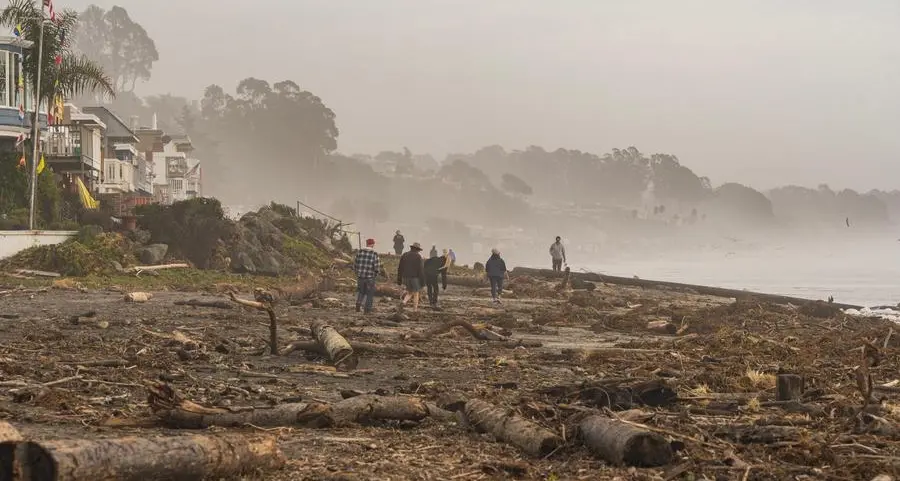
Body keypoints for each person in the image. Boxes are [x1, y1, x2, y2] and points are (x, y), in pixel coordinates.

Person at [352, 238, 383, 314]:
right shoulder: (374, 254)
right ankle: (367, 310)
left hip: (360, 277)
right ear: (372, 244)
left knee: (361, 291)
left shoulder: (360, 252)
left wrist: (357, 272)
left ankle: (358, 304)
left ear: (366, 244)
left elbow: (355, 264)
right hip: (370, 277)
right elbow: (377, 267)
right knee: (370, 293)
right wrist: (375, 274)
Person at [397, 242, 426, 311]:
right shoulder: (418, 257)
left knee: (410, 292)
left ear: (412, 248)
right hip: (414, 278)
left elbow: (400, 268)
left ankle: (403, 302)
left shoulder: (404, 255)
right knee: (416, 293)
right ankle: (415, 310)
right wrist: (423, 282)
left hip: (405, 277)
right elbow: (421, 270)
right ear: (418, 249)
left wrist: (399, 279)